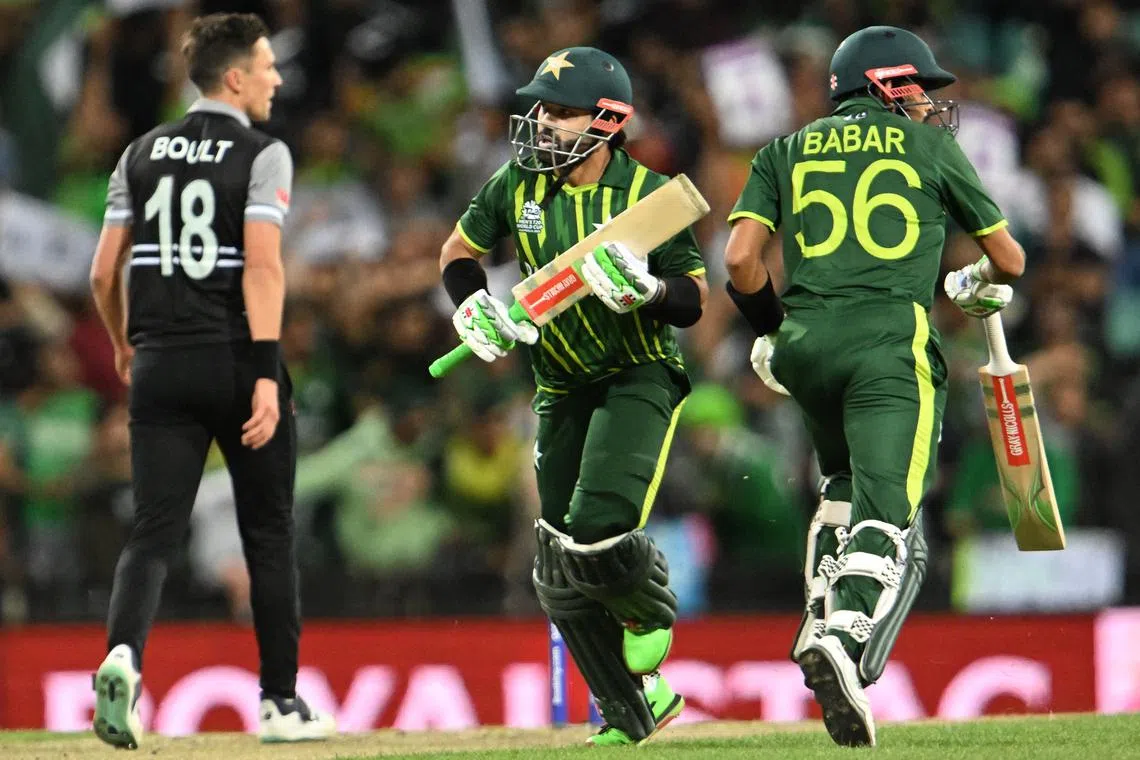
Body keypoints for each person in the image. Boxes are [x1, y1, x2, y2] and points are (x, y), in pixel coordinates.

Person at [722, 26, 1026, 747]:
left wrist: (770, 331)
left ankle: (820, 610)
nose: (927, 103)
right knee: (889, 511)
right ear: (885, 85)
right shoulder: (928, 146)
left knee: (842, 484)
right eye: (918, 87)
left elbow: (739, 261)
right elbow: (1009, 259)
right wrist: (972, 281)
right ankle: (844, 633)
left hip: (805, 348)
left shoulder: (782, 149)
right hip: (889, 346)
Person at [439, 46, 707, 745]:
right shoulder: (519, 183)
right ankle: (634, 706)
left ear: (607, 121)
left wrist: (649, 291)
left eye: (559, 112)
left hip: (637, 373)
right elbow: (458, 255)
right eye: (541, 108)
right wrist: (472, 306)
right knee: (557, 567)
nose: (541, 122)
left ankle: (646, 612)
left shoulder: (650, 194)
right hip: (558, 384)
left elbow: (694, 298)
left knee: (595, 528)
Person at [87, 12, 335, 748]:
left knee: (152, 532)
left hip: (158, 364)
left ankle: (123, 658)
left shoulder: (138, 152)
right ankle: (280, 703)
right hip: (233, 359)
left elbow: (102, 272)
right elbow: (262, 266)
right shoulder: (264, 153)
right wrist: (265, 374)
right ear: (234, 77)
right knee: (269, 532)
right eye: (266, 66)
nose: (277, 79)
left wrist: (124, 345)